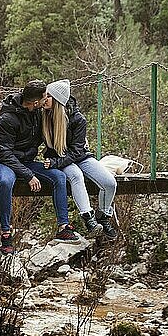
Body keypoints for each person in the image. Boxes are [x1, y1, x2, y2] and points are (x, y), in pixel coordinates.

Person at [0, 79, 80, 254]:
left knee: (59, 177)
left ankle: (63, 227)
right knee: (6, 182)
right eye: (45, 97)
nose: (47, 99)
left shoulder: (38, 114)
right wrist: (28, 175)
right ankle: (6, 234)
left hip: (28, 162)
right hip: (3, 163)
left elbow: (64, 110)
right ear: (35, 102)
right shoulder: (7, 119)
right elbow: (4, 153)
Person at [42, 79, 118, 240]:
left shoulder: (78, 119)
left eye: (48, 96)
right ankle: (88, 218)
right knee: (76, 175)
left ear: (57, 100)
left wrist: (56, 164)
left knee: (110, 183)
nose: (44, 99)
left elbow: (77, 151)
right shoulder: (43, 115)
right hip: (58, 157)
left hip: (78, 156)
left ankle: (103, 216)